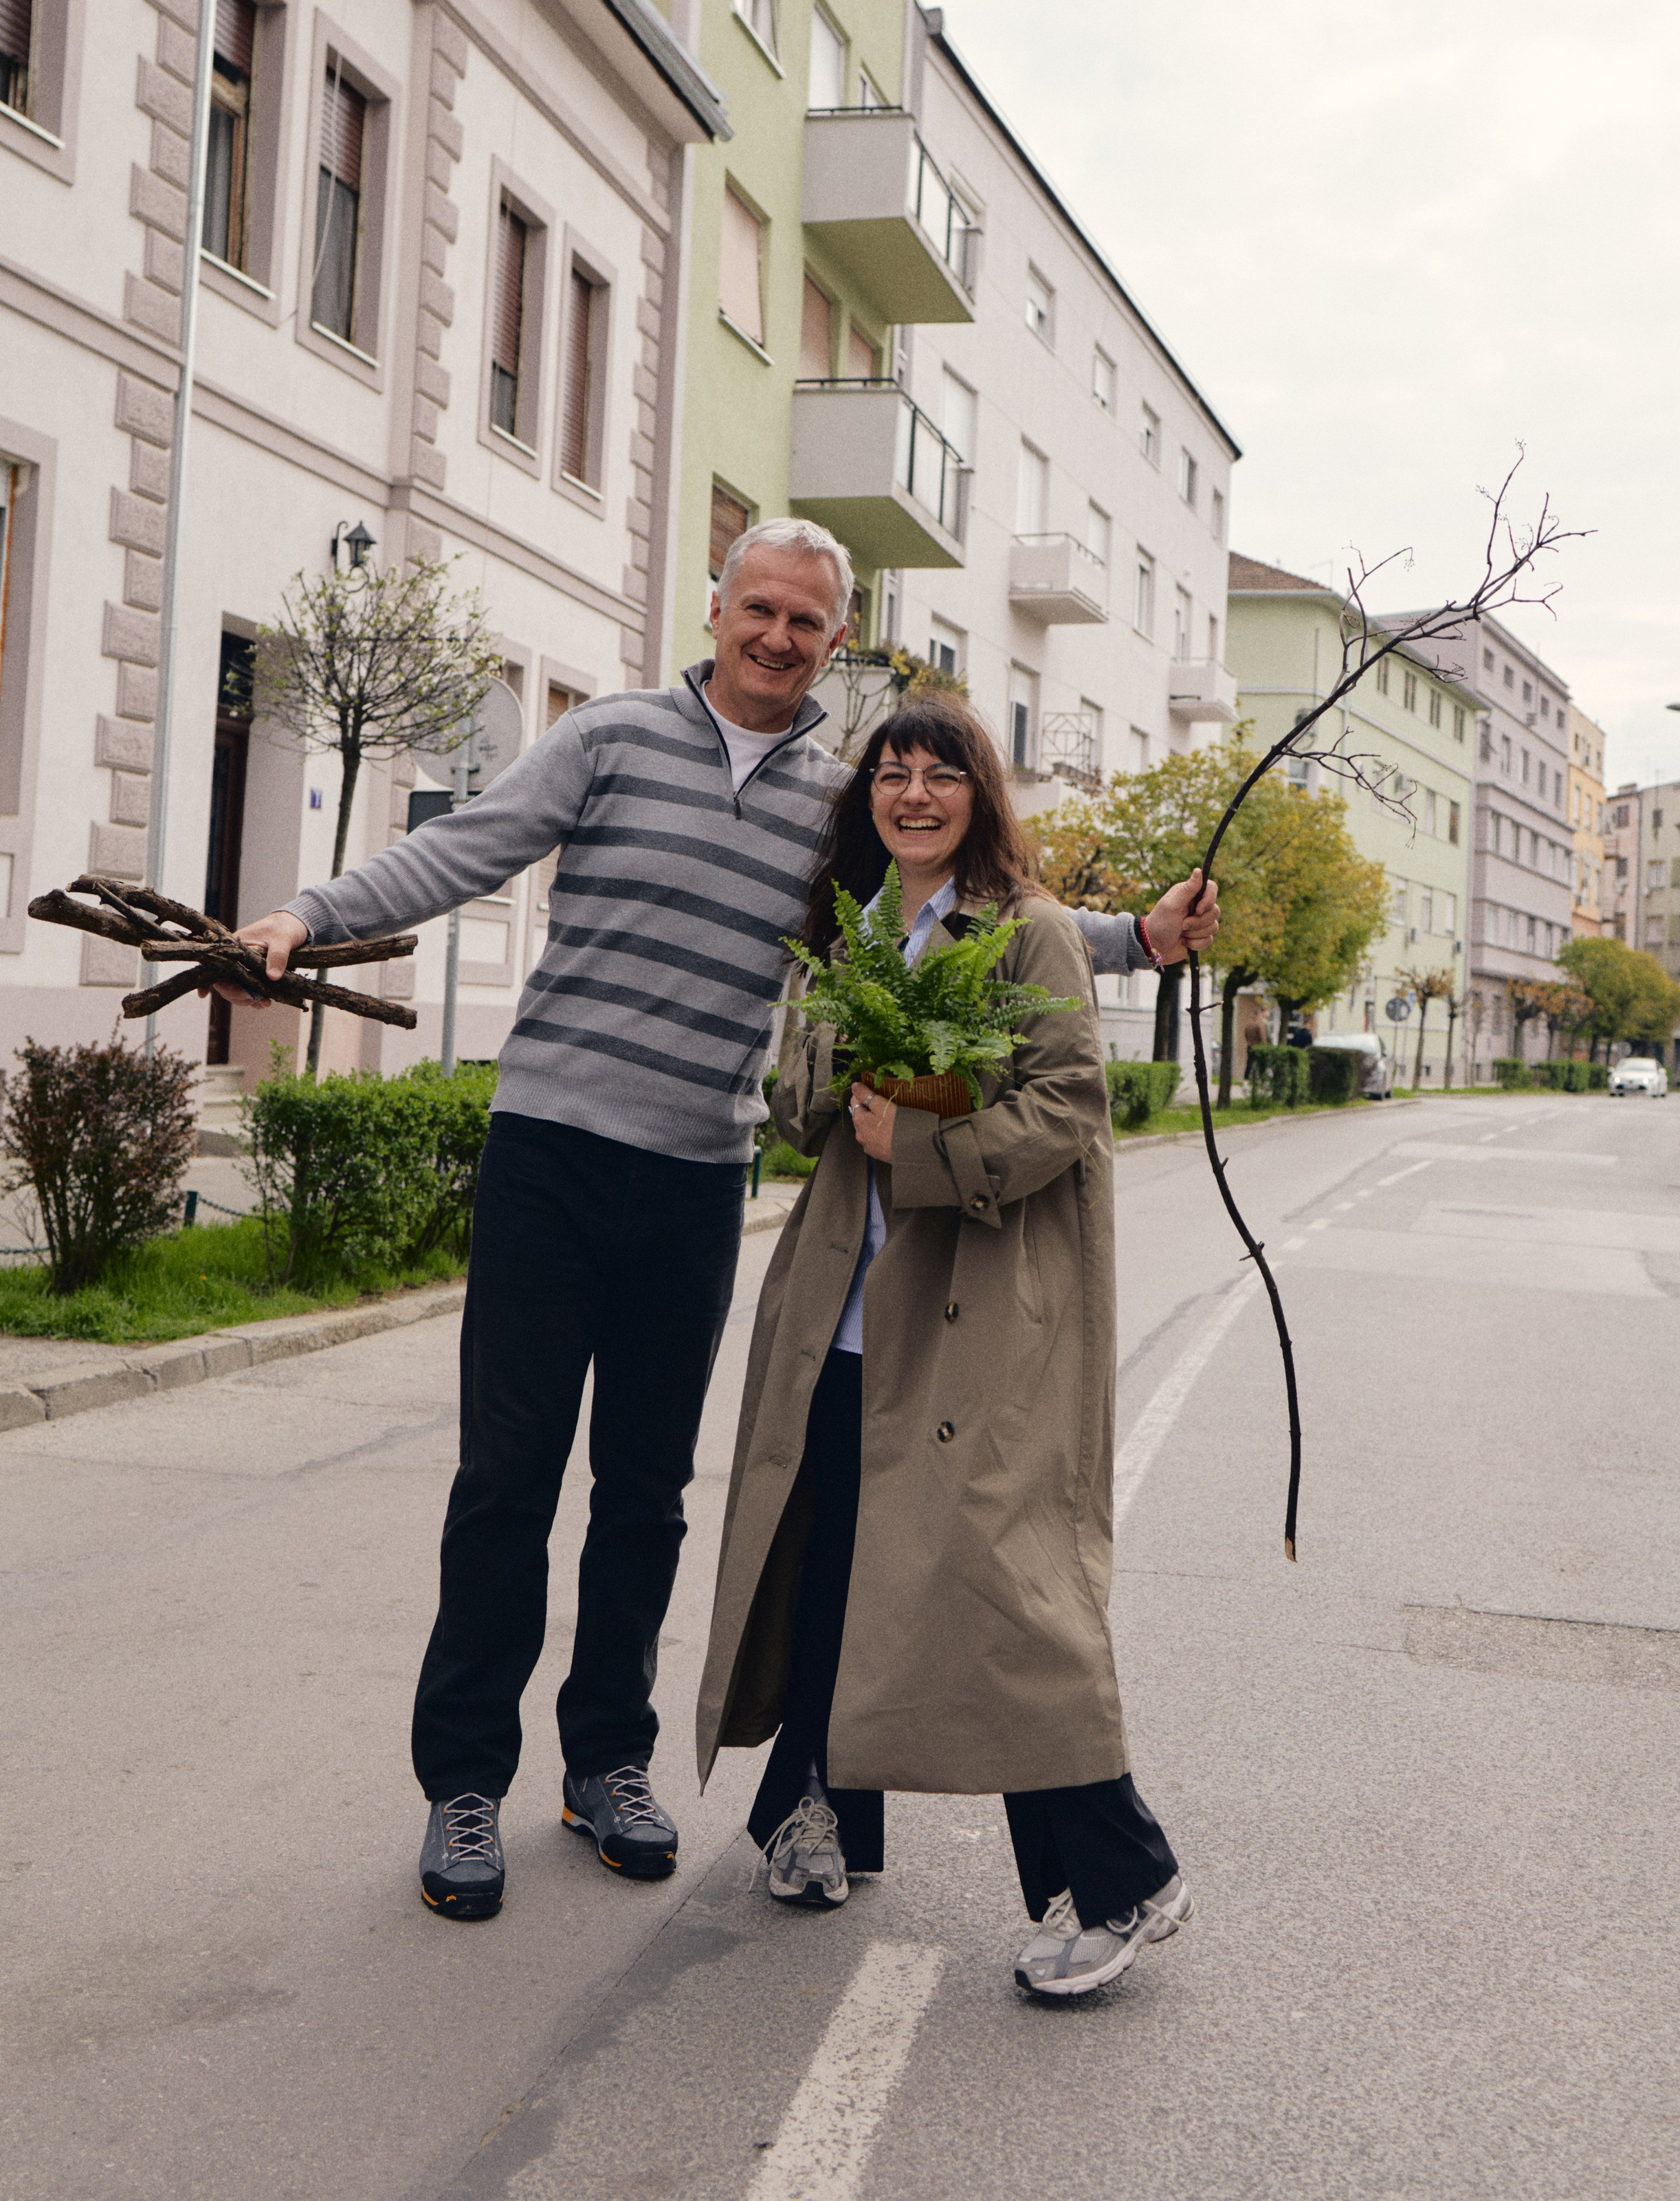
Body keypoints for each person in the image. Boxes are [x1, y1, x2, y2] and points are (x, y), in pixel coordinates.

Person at [221, 518, 1215, 1924]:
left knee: (645, 1492)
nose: (776, 637)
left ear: (834, 632)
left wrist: (1139, 941)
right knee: (505, 1481)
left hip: (693, 1182)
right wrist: (301, 918)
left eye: (806, 622)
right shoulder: (612, 738)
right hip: (549, 1157)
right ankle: (462, 1782)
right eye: (758, 609)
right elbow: (470, 849)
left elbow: (972, 910)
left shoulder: (840, 797)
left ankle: (605, 1763)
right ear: (718, 604)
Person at [696, 693, 1219, 1998]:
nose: (913, 792)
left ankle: (1122, 1878)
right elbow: (799, 1106)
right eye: (892, 771)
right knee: (826, 1557)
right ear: (865, 794)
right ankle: (816, 1809)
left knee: (1003, 1596)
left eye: (942, 775)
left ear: (982, 797)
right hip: (845, 1309)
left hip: (982, 1316)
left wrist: (916, 1140)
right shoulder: (853, 930)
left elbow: (1068, 1111)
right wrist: (830, 1080)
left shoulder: (1029, 933)